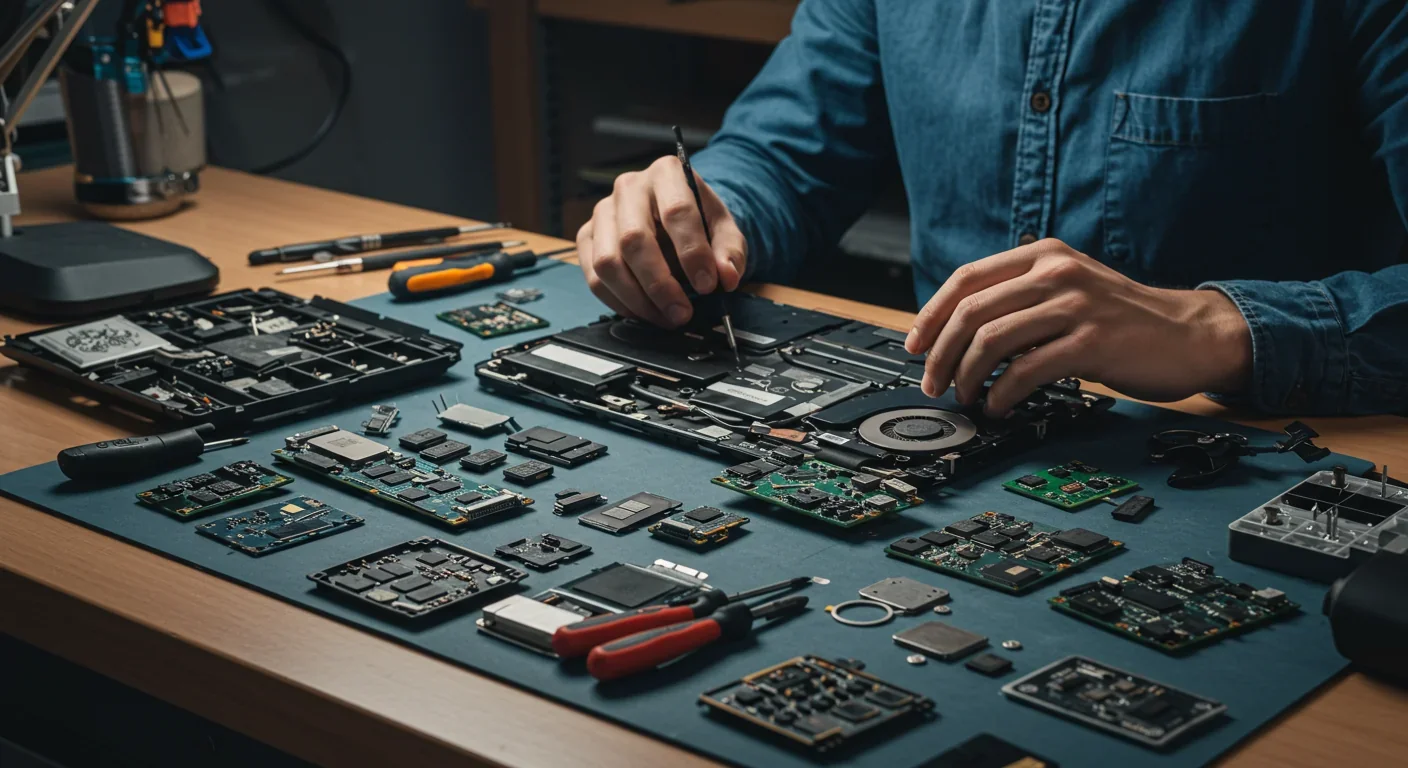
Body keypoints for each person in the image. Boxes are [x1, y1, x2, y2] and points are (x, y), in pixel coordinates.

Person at [576, 0, 1408, 417]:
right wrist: (703, 210)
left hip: (1243, 454)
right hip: (947, 427)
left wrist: (1217, 331)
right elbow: (786, 153)